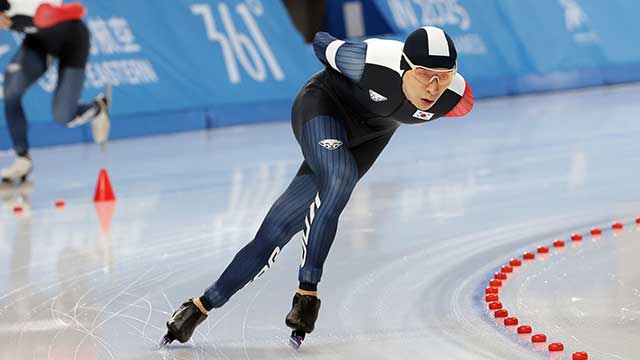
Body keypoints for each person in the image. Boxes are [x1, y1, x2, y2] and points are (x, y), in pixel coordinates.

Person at [162, 26, 474, 349]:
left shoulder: (457, 97)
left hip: (369, 139)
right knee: (339, 177)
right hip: (322, 108)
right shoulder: (370, 62)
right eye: (424, 75)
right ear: (403, 66)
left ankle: (198, 307)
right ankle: (307, 293)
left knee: (277, 230)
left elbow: (453, 96)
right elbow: (321, 41)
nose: (434, 87)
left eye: (444, 76)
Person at [0, 0, 111, 184]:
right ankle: (22, 158)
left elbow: (77, 9)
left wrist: (13, 23)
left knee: (63, 116)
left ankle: (98, 108)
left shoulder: (32, 5)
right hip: (38, 43)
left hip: (72, 42)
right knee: (10, 92)